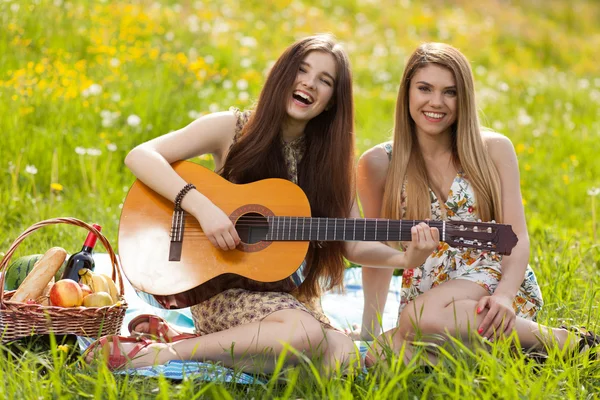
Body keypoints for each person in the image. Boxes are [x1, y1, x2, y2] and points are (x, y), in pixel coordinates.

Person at [84, 34, 439, 373]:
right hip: (223, 287)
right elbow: (141, 156)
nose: (309, 84)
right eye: (301, 70)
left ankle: (199, 343)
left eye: (325, 80)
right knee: (305, 337)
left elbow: (352, 242)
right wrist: (202, 208)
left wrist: (403, 258)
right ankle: (165, 353)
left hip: (291, 297)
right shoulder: (232, 128)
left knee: (343, 359)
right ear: (282, 74)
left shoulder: (332, 164)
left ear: (332, 100)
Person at [357, 42, 599, 365]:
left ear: (463, 98)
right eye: (424, 88)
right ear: (407, 92)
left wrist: (505, 295)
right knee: (379, 359)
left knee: (418, 321)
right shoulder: (379, 163)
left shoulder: (494, 150)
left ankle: (563, 341)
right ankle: (510, 356)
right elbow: (378, 251)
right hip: (427, 290)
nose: (436, 102)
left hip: (490, 278)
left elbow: (517, 237)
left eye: (450, 92)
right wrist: (368, 329)